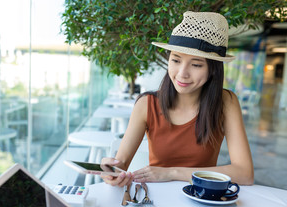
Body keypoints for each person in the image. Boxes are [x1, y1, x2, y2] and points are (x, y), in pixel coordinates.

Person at [101, 11, 254, 187]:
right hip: (154, 200)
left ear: (213, 69)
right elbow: (120, 165)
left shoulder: (226, 102)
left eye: (196, 64)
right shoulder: (146, 104)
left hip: (203, 199)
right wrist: (111, 171)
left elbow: (245, 173)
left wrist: (172, 173)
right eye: (175, 60)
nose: (182, 74)